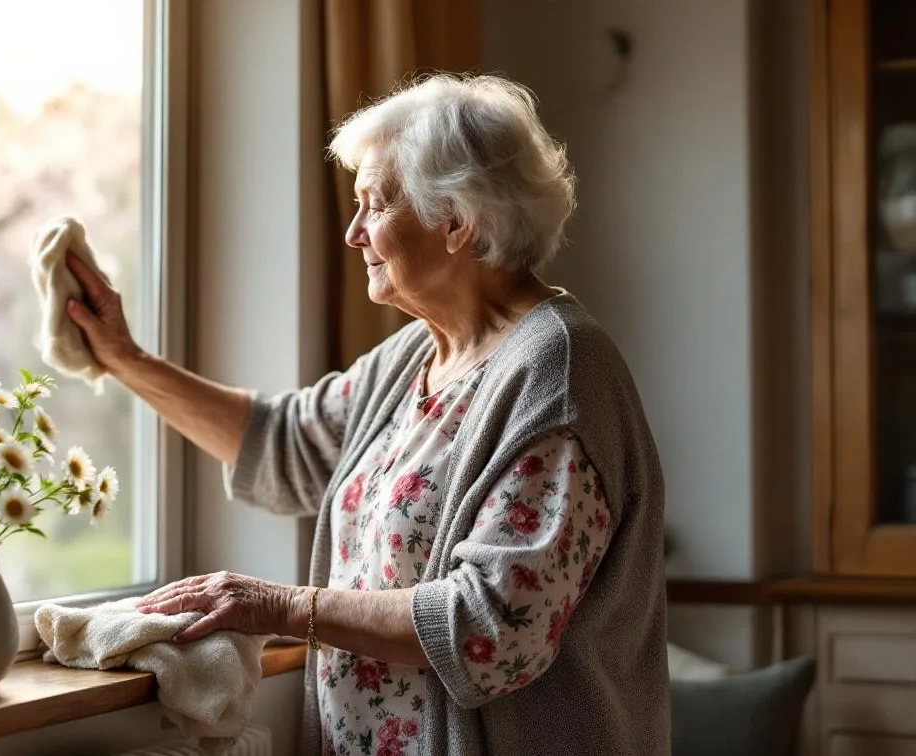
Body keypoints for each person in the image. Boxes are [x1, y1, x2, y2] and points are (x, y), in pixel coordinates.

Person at [64, 73, 669, 756]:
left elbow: (494, 629)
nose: (353, 234)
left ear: (456, 220)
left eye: (373, 206)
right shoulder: (417, 354)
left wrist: (286, 606)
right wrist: (121, 357)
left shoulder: (557, 372)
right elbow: (282, 444)